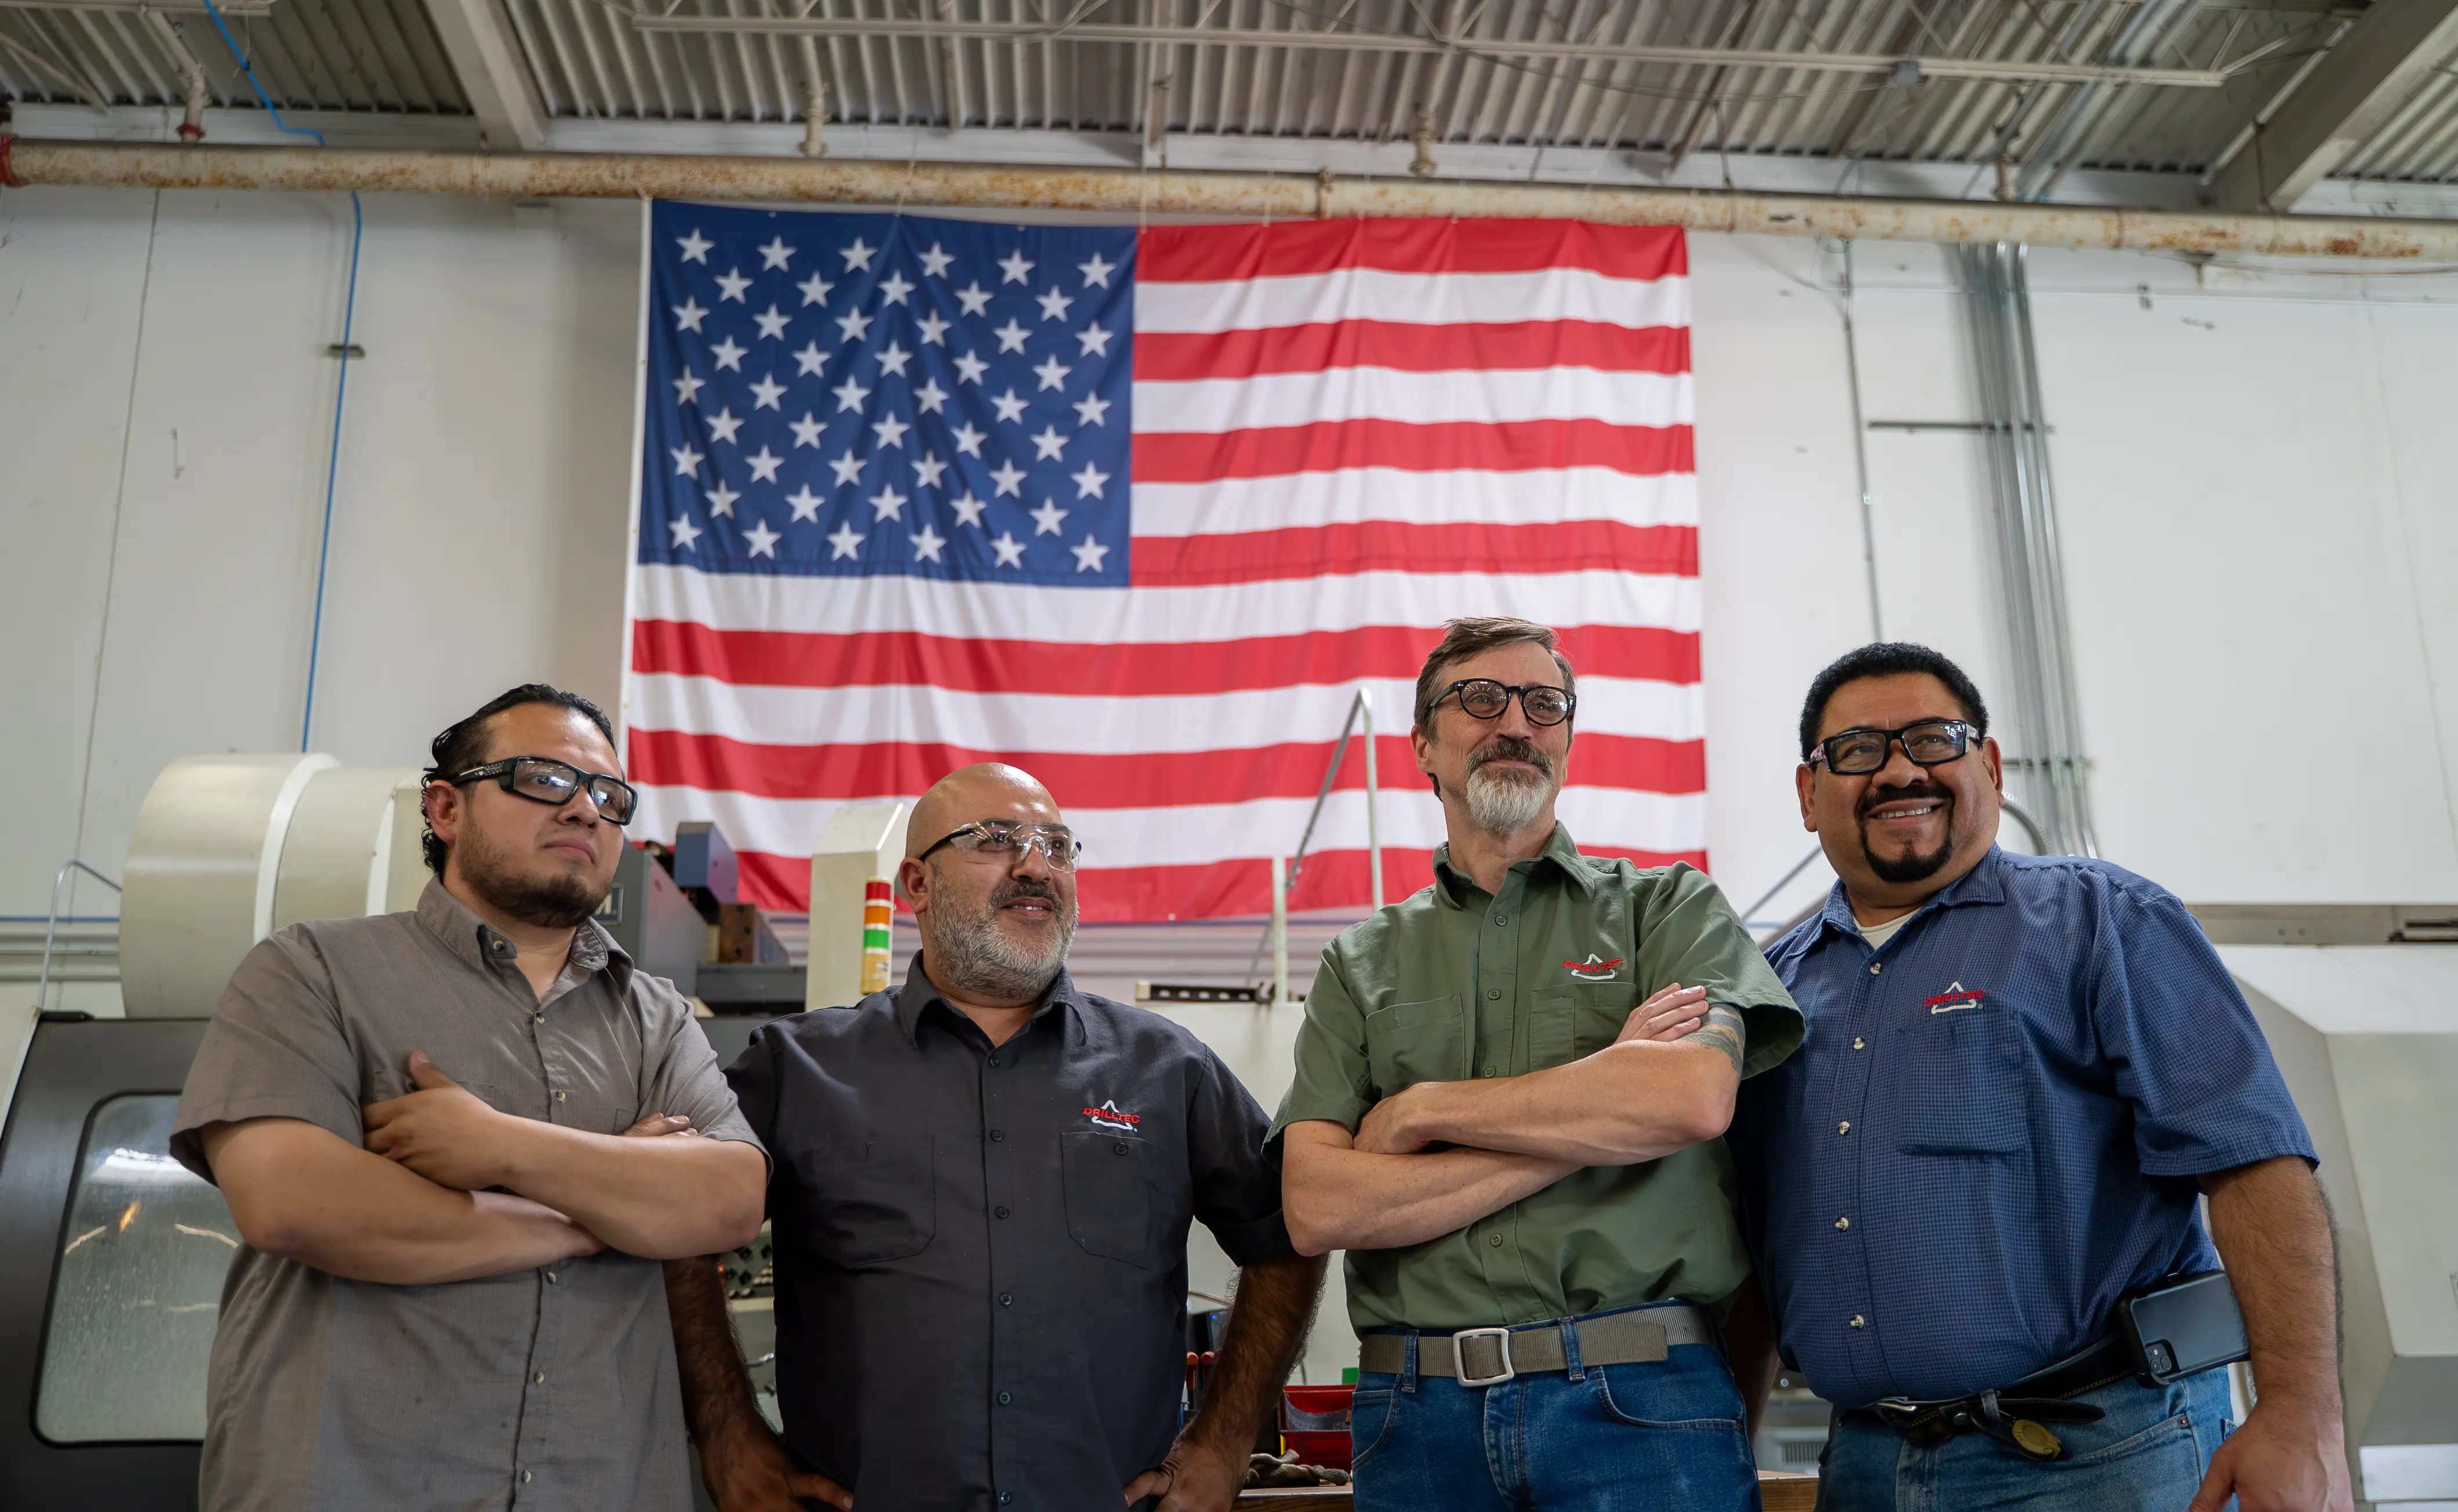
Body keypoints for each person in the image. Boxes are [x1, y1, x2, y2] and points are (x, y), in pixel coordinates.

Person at [1728, 641, 2350, 1512]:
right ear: (1808, 793)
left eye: (1933, 739)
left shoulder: (2107, 922)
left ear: (1989, 766)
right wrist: (1728, 1457)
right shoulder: (1769, 992)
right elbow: (1749, 1255)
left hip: (2106, 1457)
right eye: (1858, 751)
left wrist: (2300, 1419)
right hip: (1867, 1466)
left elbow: (2257, 1169)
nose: (1900, 770)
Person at [168, 683, 769, 1511]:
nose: (585, 809)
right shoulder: (312, 972)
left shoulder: (657, 1021)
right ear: (446, 808)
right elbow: (292, 1204)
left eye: (609, 796)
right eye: (544, 779)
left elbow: (730, 1201)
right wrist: (604, 1216)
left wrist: (499, 1146)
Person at [666, 762, 1327, 1512]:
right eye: (996, 839)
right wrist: (725, 1431)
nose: (1035, 866)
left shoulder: (1168, 1071)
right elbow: (675, 1228)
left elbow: (1291, 1232)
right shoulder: (798, 1069)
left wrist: (1227, 1440)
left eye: (1057, 845)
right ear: (917, 883)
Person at [1270, 616, 1805, 1512]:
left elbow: (1690, 1100)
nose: (1516, 722)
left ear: (1567, 739)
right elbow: (1319, 1205)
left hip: (1641, 1401)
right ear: (1422, 744)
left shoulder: (1669, 909)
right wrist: (1600, 1109)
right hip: (1418, 1417)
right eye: (1481, 699)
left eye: (1544, 704)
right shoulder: (1359, 964)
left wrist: (1424, 1110)